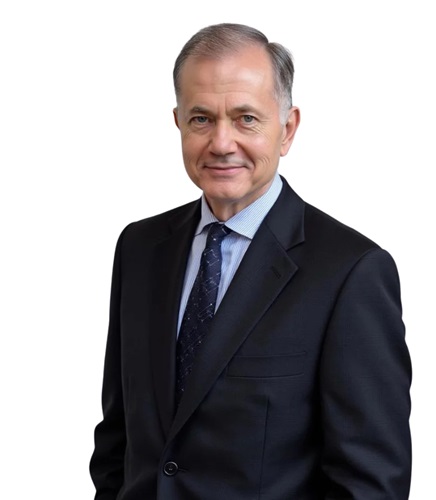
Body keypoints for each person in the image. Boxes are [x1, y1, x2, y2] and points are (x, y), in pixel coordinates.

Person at [90, 23, 412, 500]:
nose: (221, 143)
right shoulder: (139, 248)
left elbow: (370, 485)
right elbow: (118, 442)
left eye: (246, 119)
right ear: (178, 123)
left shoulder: (351, 272)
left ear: (287, 129)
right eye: (202, 119)